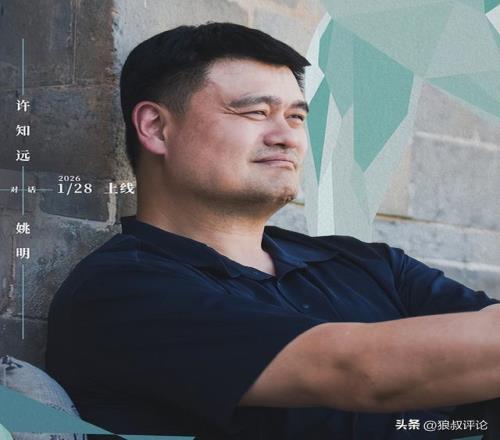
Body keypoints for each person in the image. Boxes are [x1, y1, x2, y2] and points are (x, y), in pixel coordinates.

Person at [46, 22, 500, 440]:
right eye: (256, 112)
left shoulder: (371, 265)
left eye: (297, 117)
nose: (287, 136)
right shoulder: (120, 292)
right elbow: (358, 372)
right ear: (156, 127)